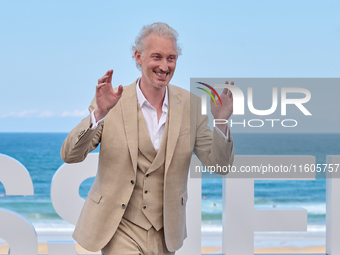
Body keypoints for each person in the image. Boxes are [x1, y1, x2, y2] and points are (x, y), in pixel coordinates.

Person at [61, 22, 234, 255]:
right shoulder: (112, 102)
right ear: (138, 57)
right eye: (157, 57)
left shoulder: (191, 106)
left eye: (171, 58)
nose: (164, 66)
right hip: (119, 227)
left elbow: (220, 165)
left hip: (166, 231)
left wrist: (221, 122)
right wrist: (99, 114)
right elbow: (70, 155)